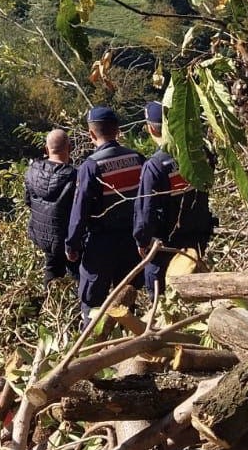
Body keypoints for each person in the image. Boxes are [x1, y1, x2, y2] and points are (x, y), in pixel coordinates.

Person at [66, 106, 144, 322]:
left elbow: (79, 211)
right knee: (127, 300)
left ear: (91, 134)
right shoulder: (137, 159)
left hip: (101, 244)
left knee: (92, 304)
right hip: (132, 241)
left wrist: (72, 244)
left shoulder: (91, 167)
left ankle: (92, 348)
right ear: (118, 130)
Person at [133, 101, 215, 299]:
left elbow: (146, 211)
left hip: (166, 245)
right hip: (197, 238)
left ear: (151, 128)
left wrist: (142, 241)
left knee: (162, 300)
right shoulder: (201, 153)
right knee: (195, 293)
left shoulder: (155, 165)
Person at [24, 128, 78, 288]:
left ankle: (49, 300)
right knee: (78, 274)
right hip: (67, 239)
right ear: (70, 147)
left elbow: (28, 201)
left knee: (52, 268)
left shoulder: (32, 171)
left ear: (47, 149)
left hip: (42, 235)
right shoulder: (74, 176)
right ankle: (80, 307)